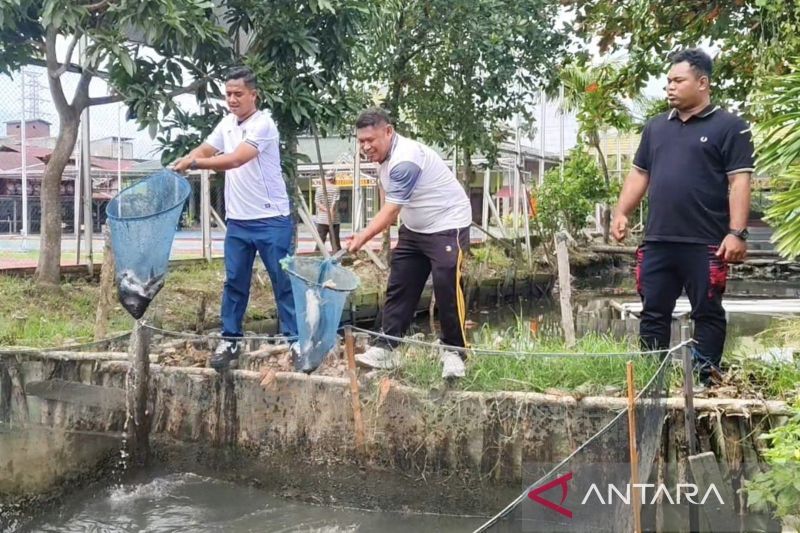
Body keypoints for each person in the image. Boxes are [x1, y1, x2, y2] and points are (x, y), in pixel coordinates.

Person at [611, 48, 754, 386]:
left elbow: (739, 181)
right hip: (658, 241)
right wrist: (621, 212)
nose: (670, 87)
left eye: (678, 80)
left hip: (707, 244)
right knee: (653, 314)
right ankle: (652, 381)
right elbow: (638, 175)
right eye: (668, 81)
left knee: (707, 312)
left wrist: (737, 233)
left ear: (702, 83)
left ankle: (705, 380)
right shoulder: (656, 127)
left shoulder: (731, 127)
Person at [173, 66, 297, 371]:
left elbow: (236, 158)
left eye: (238, 94)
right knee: (234, 283)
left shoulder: (263, 124)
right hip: (239, 223)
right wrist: (188, 157)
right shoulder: (227, 123)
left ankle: (297, 341)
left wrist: (196, 164)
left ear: (253, 95)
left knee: (283, 282)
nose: (232, 99)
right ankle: (230, 341)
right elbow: (208, 146)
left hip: (271, 219)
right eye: (228, 94)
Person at [347, 108, 473, 379]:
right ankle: (387, 347)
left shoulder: (406, 159)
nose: (366, 146)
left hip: (447, 224)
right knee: (400, 282)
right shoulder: (384, 160)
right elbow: (389, 203)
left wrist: (362, 237)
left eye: (371, 139)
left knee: (446, 282)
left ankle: (455, 352)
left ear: (389, 131)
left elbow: (391, 210)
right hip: (415, 228)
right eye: (361, 141)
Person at [314, 171, 341, 251]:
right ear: (333, 178)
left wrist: (326, 210)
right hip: (334, 220)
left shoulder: (319, 189)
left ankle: (317, 258)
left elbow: (317, 202)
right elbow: (334, 204)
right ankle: (337, 260)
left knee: (320, 242)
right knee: (335, 242)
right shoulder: (336, 188)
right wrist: (331, 217)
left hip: (321, 219)